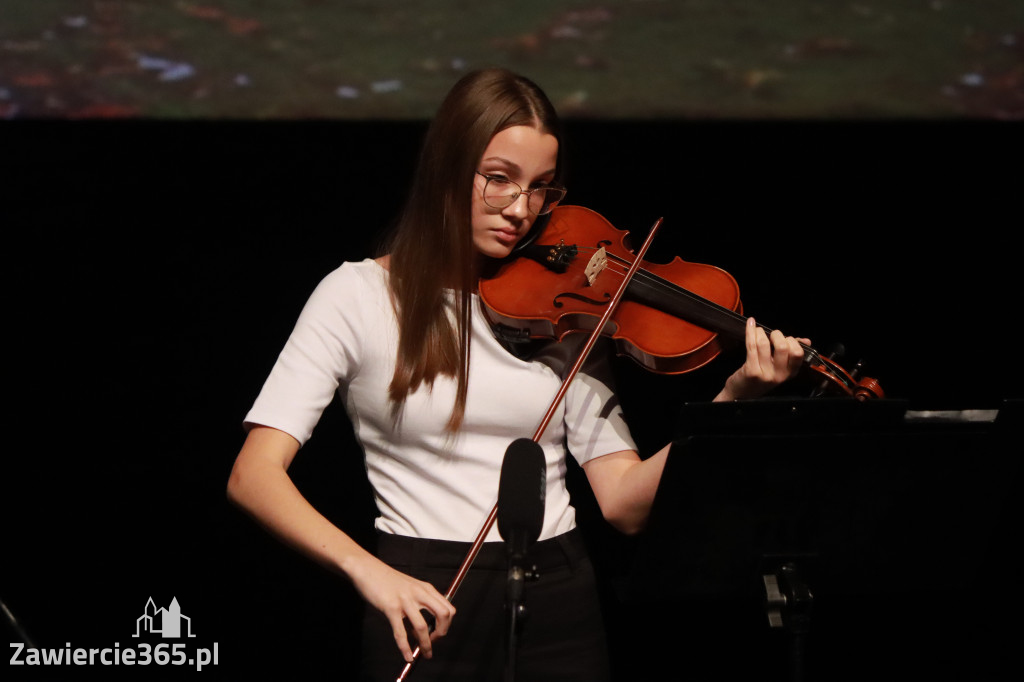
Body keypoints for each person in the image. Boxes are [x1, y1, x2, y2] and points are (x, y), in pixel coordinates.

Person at [226, 67, 806, 681]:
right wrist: (368, 571)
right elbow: (253, 476)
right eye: (499, 181)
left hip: (562, 598)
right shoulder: (357, 295)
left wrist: (730, 399)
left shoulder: (567, 315)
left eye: (542, 189)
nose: (521, 210)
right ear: (448, 166)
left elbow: (624, 505)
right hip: (419, 597)